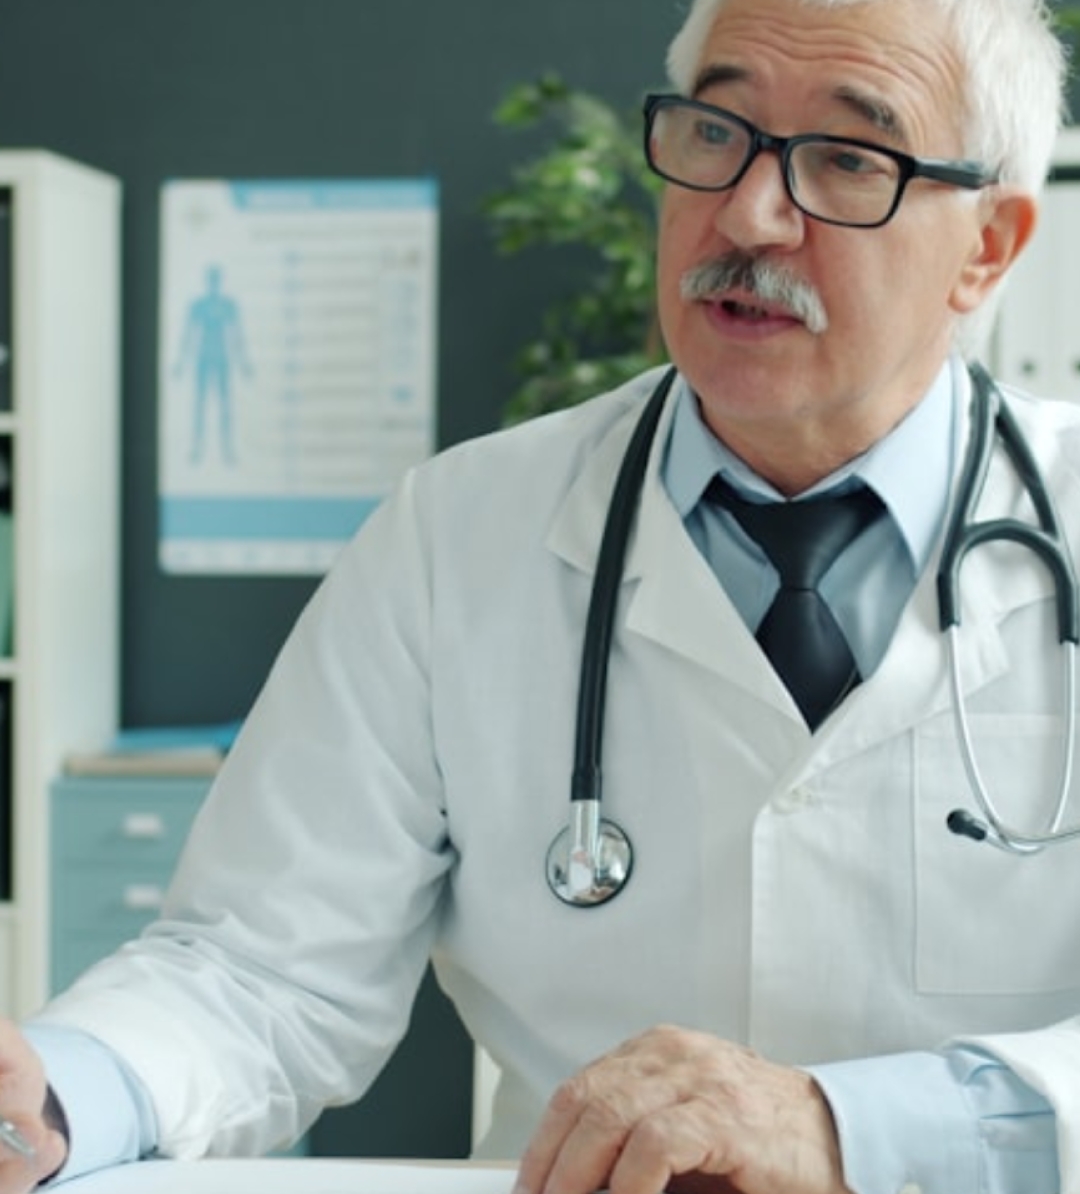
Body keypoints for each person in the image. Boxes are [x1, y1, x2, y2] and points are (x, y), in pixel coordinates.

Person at [0, 0, 1075, 1191]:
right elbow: (260, 967)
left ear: (988, 246)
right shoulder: (457, 533)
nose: (748, 214)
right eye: (716, 133)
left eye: (846, 159)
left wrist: (856, 1127)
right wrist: (50, 1099)